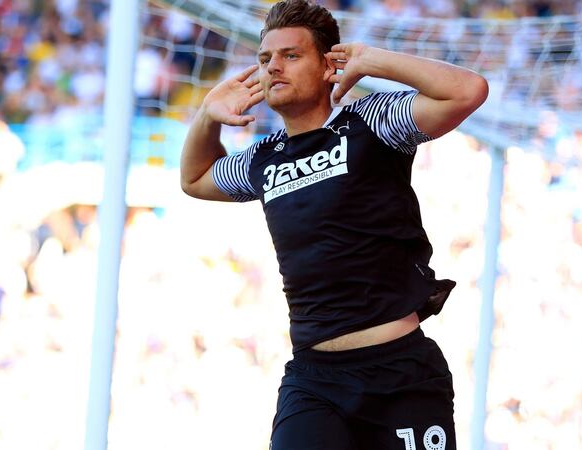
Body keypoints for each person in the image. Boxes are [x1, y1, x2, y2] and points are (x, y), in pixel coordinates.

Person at [180, 0, 488, 448]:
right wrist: (207, 117)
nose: (273, 68)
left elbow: (469, 91)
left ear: (329, 65)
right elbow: (194, 178)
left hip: (400, 373)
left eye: (290, 55)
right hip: (314, 381)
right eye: (265, 59)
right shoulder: (265, 158)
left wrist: (372, 61)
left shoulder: (374, 121)